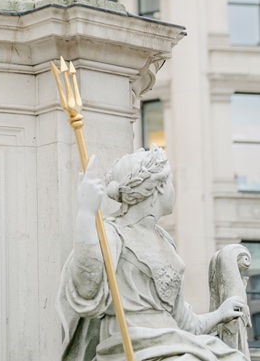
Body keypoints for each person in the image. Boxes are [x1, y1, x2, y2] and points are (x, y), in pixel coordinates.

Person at [59, 148, 248, 361]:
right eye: (171, 182)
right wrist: (85, 213)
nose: (174, 189)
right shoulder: (113, 233)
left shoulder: (166, 241)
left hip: (172, 342)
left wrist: (220, 314)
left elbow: (184, 323)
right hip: (133, 345)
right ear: (158, 187)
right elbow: (86, 286)